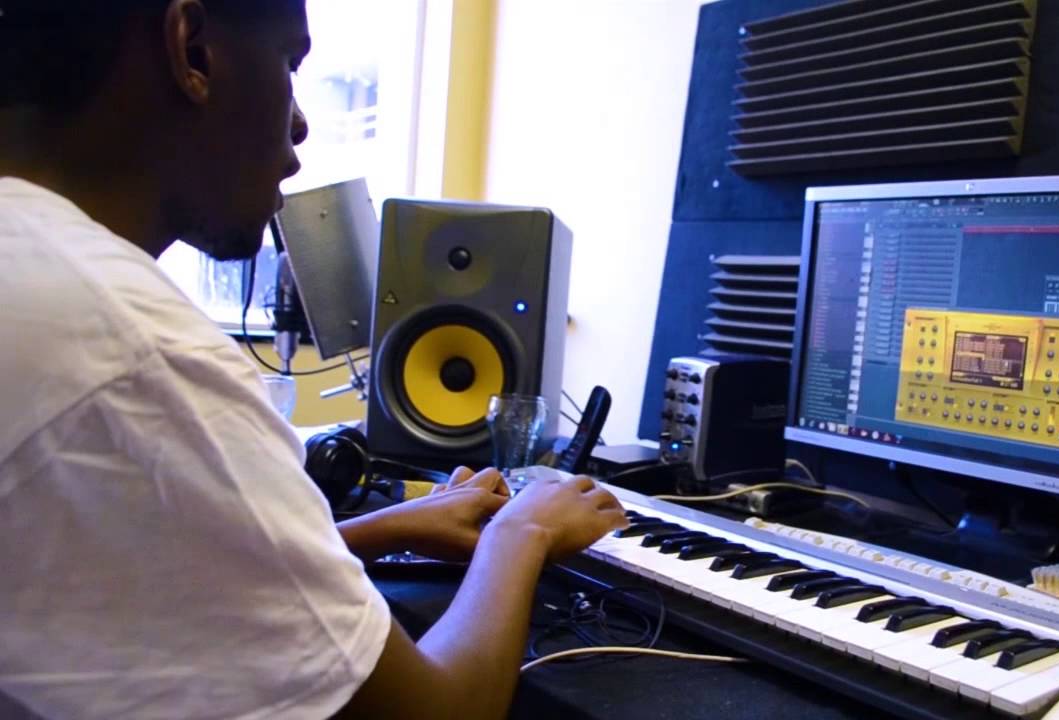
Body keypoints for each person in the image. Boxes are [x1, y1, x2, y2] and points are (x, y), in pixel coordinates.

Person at [0, 1, 627, 718]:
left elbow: (134, 568)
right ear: (192, 50)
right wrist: (522, 531)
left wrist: (376, 530)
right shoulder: (137, 352)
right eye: (289, 65)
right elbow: (437, 711)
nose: (299, 125)